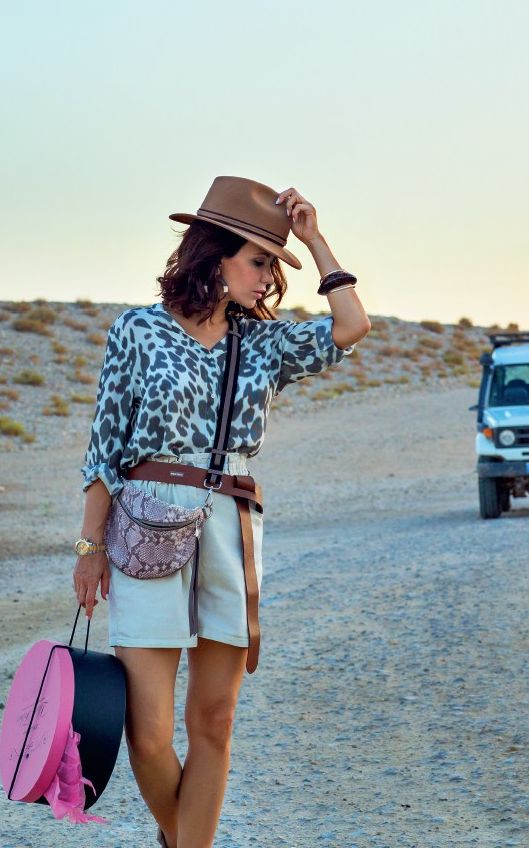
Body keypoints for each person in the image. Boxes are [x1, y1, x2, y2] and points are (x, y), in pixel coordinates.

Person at [72, 176, 370, 848]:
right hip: (146, 521)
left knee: (213, 723)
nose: (268, 279)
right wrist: (89, 549)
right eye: (259, 261)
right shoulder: (139, 330)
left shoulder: (262, 342)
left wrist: (315, 239)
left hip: (231, 526)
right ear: (214, 255)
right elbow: (105, 446)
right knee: (147, 732)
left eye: (273, 266)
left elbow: (352, 326)